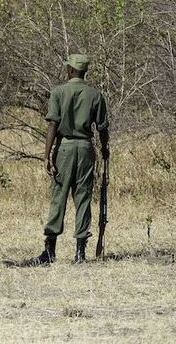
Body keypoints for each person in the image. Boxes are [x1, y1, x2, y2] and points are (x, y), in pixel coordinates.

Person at [30, 54, 109, 265]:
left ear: (71, 71)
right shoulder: (95, 94)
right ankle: (80, 253)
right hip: (85, 149)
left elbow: (52, 125)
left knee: (59, 197)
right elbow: (102, 128)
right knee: (83, 198)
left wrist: (47, 155)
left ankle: (50, 251)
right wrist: (105, 151)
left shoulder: (58, 92)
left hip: (64, 148)